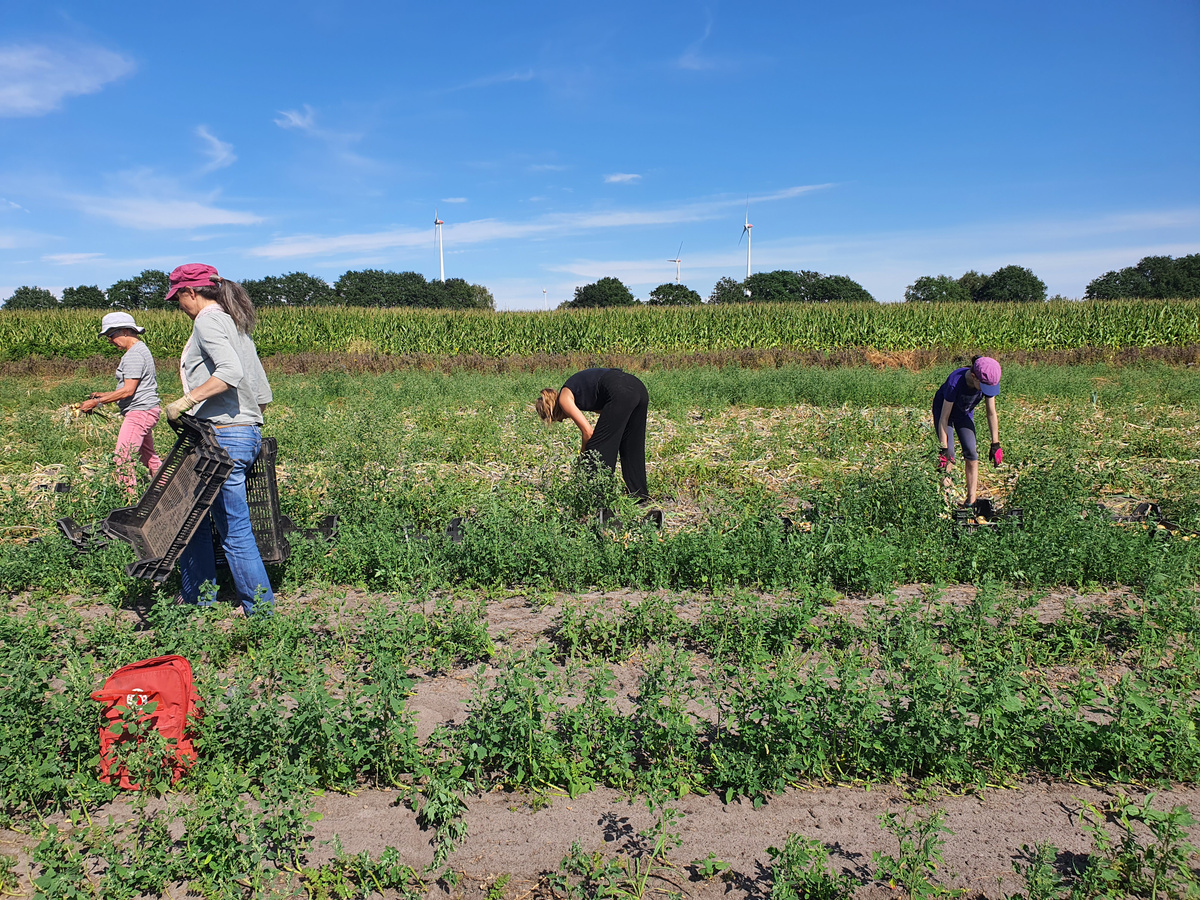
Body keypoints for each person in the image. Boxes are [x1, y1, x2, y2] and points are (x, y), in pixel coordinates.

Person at [164, 263, 275, 615]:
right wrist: (247, 429)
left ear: (191, 292)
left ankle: (261, 611)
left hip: (223, 436)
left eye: (178, 297)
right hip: (243, 433)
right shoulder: (236, 324)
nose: (179, 305)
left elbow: (230, 372)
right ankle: (198, 596)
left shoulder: (208, 320)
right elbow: (260, 393)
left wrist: (187, 400)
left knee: (233, 530)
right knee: (192, 519)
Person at [535, 368, 650, 501]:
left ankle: (599, 503)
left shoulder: (564, 398)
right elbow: (612, 417)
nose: (560, 420)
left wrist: (583, 457)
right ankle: (639, 496)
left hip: (620, 390)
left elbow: (588, 432)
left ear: (551, 413)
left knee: (596, 448)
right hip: (638, 387)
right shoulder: (580, 392)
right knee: (631, 445)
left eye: (555, 419)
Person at [79, 312, 162, 496]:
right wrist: (105, 395)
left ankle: (127, 499)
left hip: (139, 412)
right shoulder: (141, 350)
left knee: (123, 459)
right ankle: (165, 489)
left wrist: (97, 402)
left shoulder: (134, 355)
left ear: (125, 331)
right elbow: (131, 387)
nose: (110, 341)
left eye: (111, 336)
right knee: (148, 457)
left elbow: (128, 390)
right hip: (146, 409)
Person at [933, 356, 1003, 507]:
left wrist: (995, 443)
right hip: (944, 414)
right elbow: (944, 419)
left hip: (963, 414)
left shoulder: (986, 381)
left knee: (971, 452)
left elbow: (991, 412)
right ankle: (946, 501)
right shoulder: (955, 382)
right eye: (985, 387)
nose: (987, 391)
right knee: (949, 454)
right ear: (973, 377)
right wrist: (943, 448)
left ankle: (971, 501)